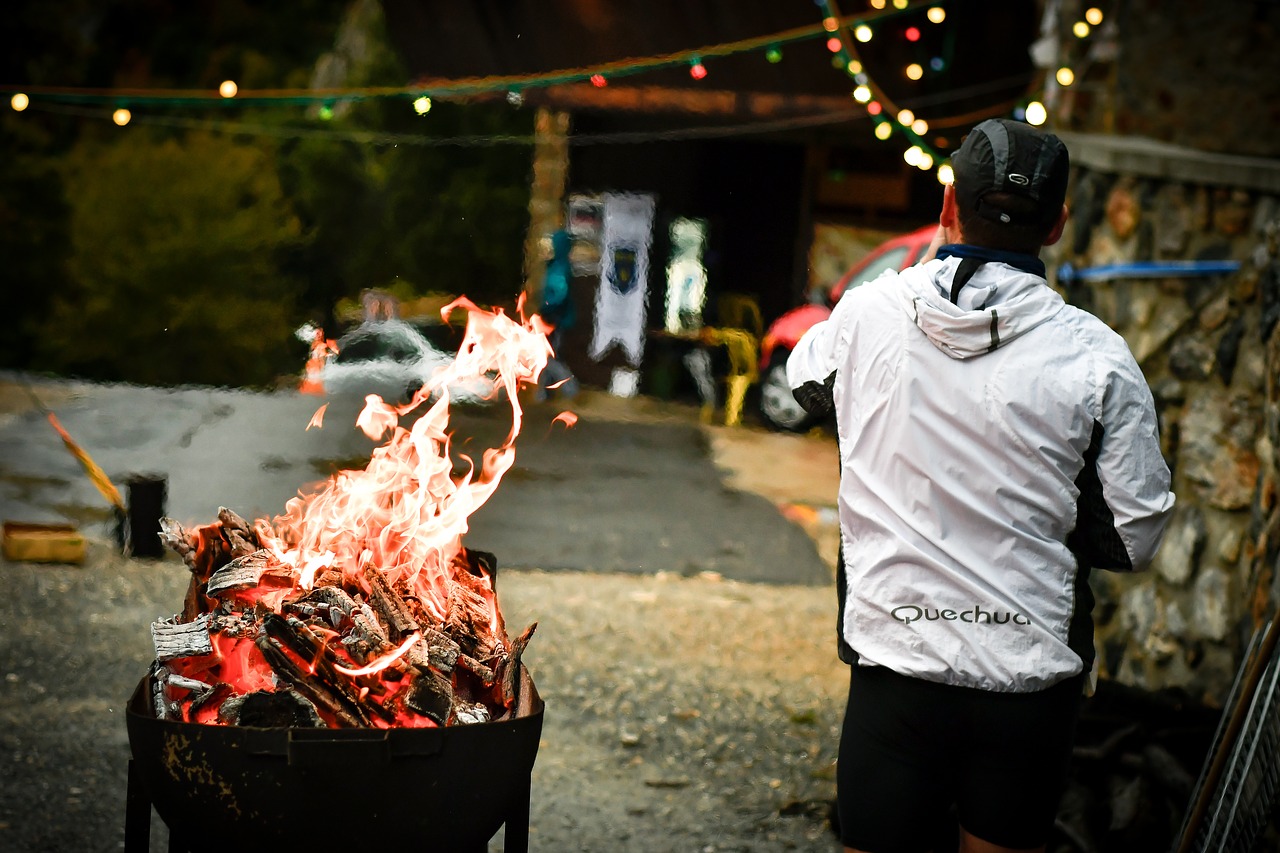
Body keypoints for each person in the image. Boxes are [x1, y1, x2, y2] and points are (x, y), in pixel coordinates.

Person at [787, 119, 1175, 853]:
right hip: (1028, 682)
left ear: (946, 206)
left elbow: (803, 382)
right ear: (1058, 224)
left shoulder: (870, 313)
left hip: (895, 668)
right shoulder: (1100, 357)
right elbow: (1136, 536)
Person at [537, 228, 580, 401]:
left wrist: (547, 309)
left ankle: (570, 388)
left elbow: (559, 295)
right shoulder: (556, 265)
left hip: (556, 319)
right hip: (553, 318)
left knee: (548, 356)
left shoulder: (560, 267)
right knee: (546, 355)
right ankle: (543, 393)